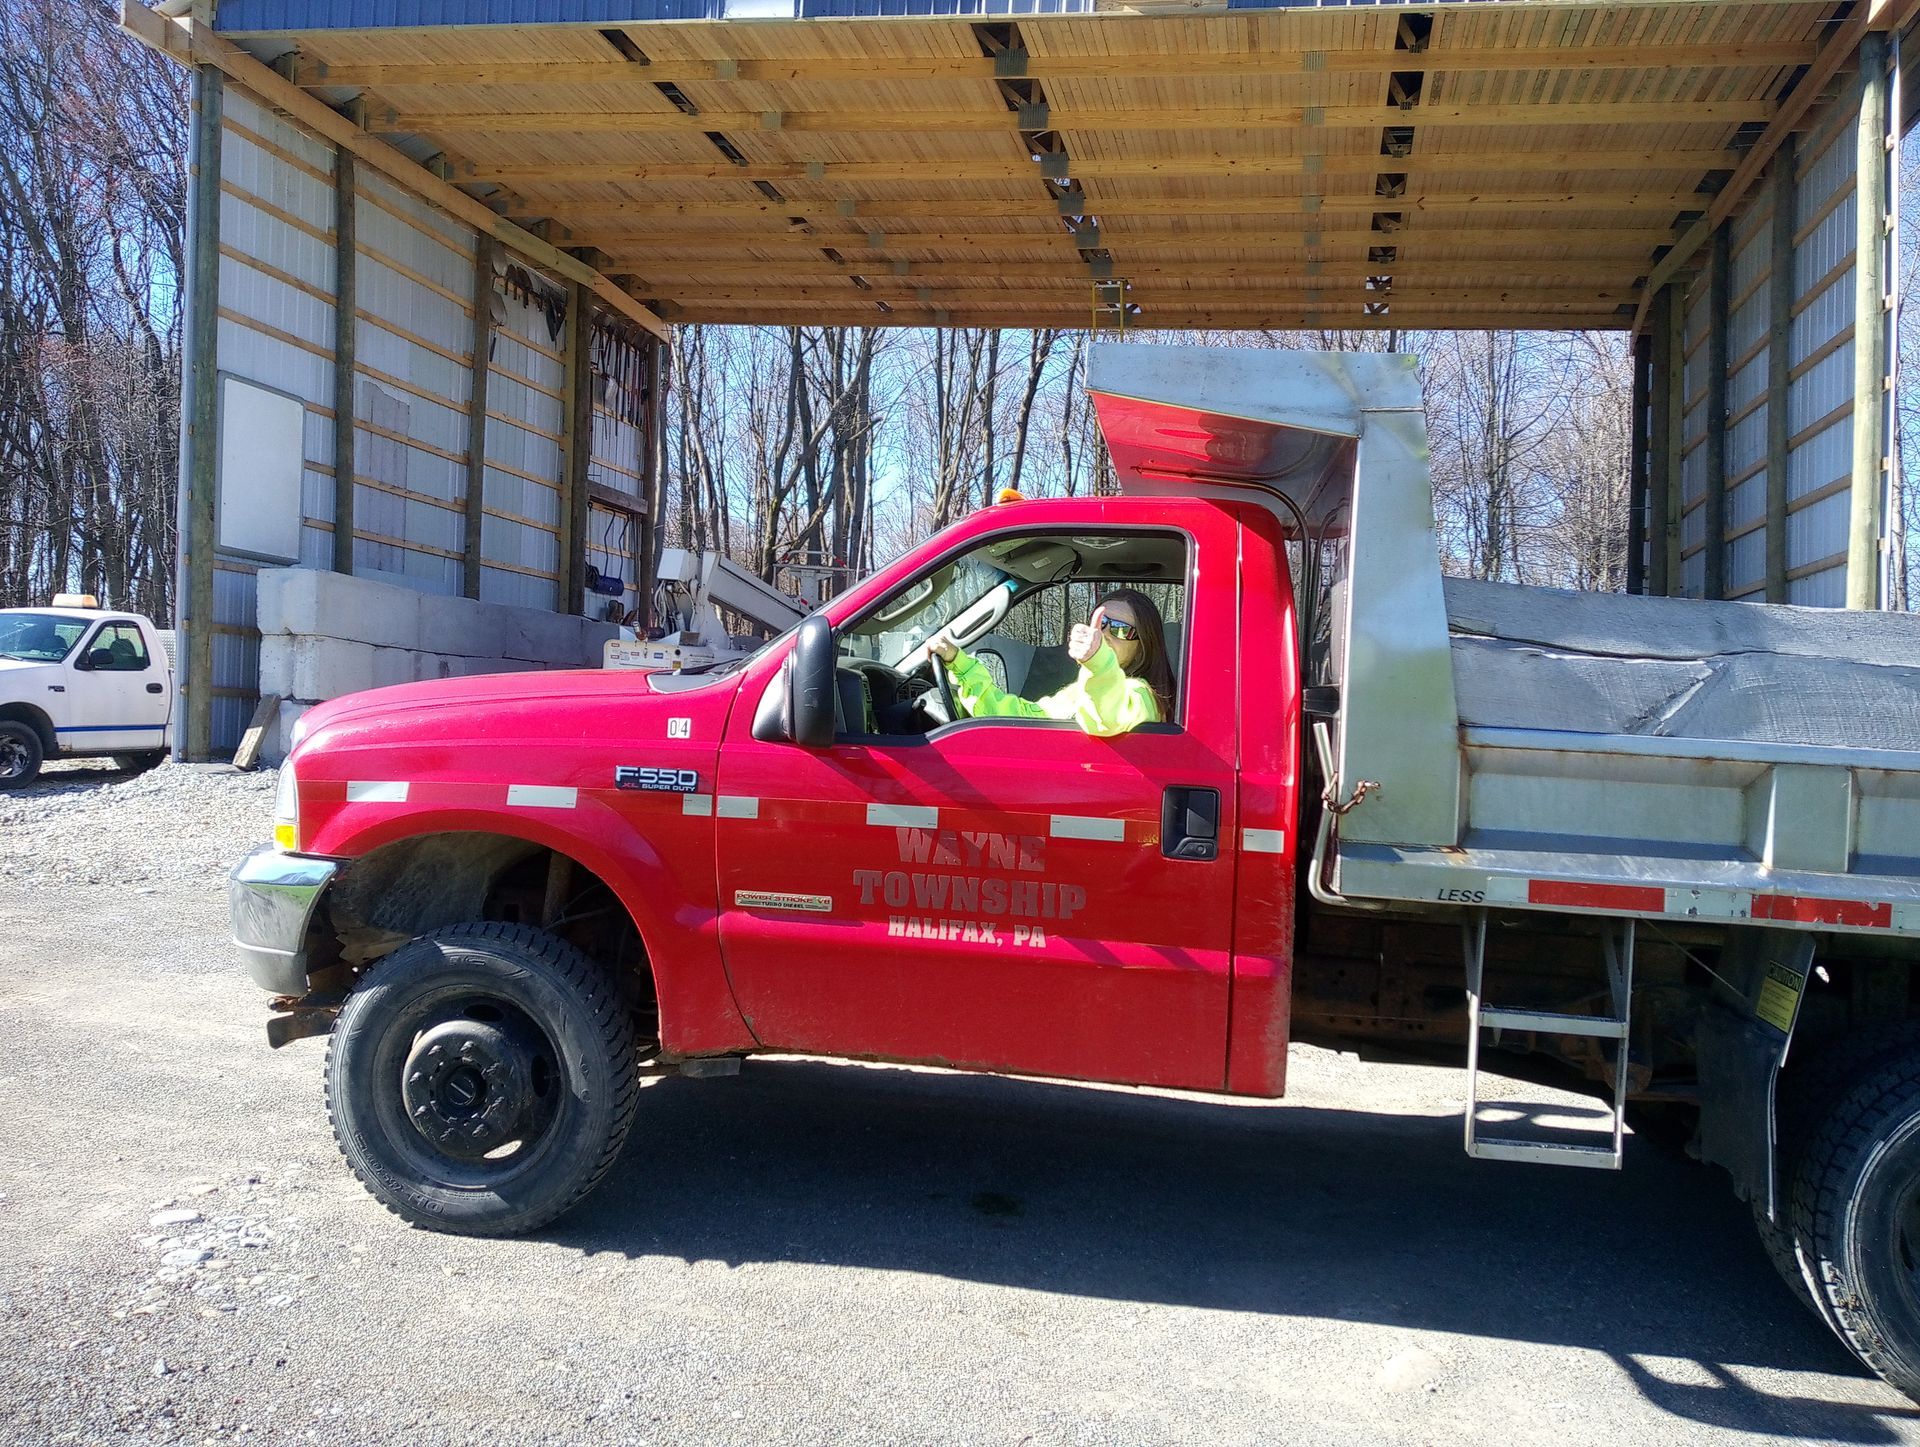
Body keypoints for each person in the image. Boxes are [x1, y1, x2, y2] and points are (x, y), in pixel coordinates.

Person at [928, 588, 1176, 738]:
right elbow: (1022, 716)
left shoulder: (1142, 696)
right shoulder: (1081, 691)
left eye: (1120, 629)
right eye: (1101, 624)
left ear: (1144, 646)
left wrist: (1098, 660)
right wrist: (959, 663)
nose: (1104, 635)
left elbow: (1107, 718)